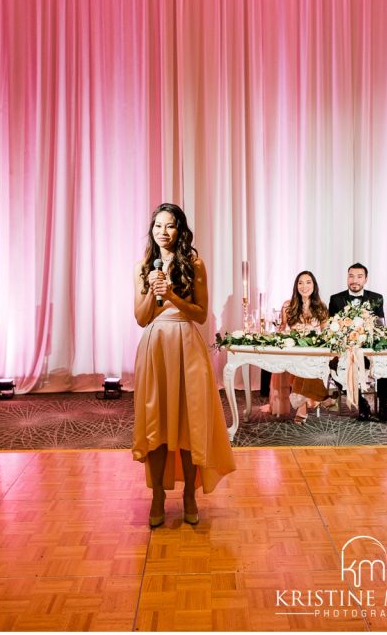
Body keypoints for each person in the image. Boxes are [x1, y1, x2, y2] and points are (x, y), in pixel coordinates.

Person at [132, 203, 235, 528]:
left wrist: (173, 294)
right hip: (156, 347)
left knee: (191, 423)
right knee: (157, 423)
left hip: (187, 347)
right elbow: (141, 318)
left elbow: (200, 314)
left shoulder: (194, 264)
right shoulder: (142, 267)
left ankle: (190, 493)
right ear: (152, 231)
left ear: (180, 230)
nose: (163, 232)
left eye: (170, 226)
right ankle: (158, 497)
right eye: (158, 226)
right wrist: (152, 289)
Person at [263, 271, 330, 424]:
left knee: (307, 362)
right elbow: (281, 330)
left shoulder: (321, 307)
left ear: (314, 286)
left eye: (308, 282)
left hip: (313, 352)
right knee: (301, 362)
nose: (304, 286)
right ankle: (323, 397)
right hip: (293, 352)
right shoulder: (288, 306)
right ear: (296, 286)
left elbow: (326, 334)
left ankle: (302, 408)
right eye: (300, 282)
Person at [328, 262, 387, 422]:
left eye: (359, 276)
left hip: (369, 349)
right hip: (347, 350)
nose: (354, 280)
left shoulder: (376, 298)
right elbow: (331, 328)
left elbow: (380, 327)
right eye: (351, 276)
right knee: (336, 366)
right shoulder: (336, 299)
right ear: (347, 278)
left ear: (366, 279)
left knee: (386, 360)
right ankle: (362, 403)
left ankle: (384, 404)